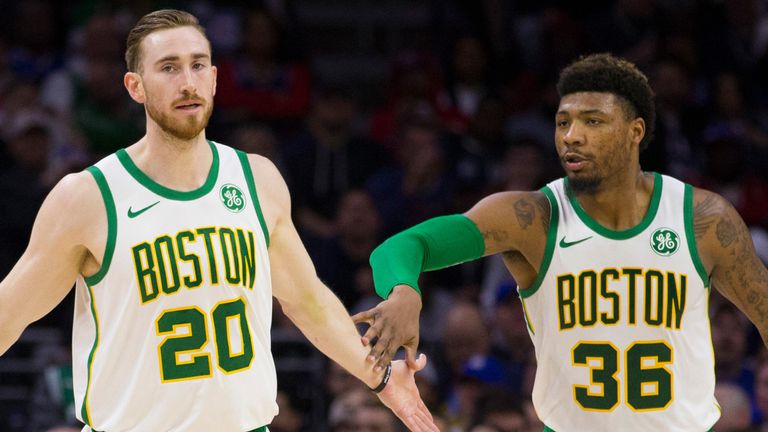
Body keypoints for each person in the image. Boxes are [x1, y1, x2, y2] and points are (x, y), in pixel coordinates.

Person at [0, 9, 437, 432]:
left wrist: (378, 376)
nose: (187, 82)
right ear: (135, 86)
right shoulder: (89, 197)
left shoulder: (257, 179)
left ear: (213, 79)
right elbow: (10, 314)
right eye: (168, 68)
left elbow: (308, 302)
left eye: (197, 66)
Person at [353, 53, 768, 431]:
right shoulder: (533, 218)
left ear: (635, 131)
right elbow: (400, 247)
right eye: (563, 121)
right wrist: (405, 290)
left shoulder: (701, 219)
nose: (571, 135)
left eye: (592, 121)